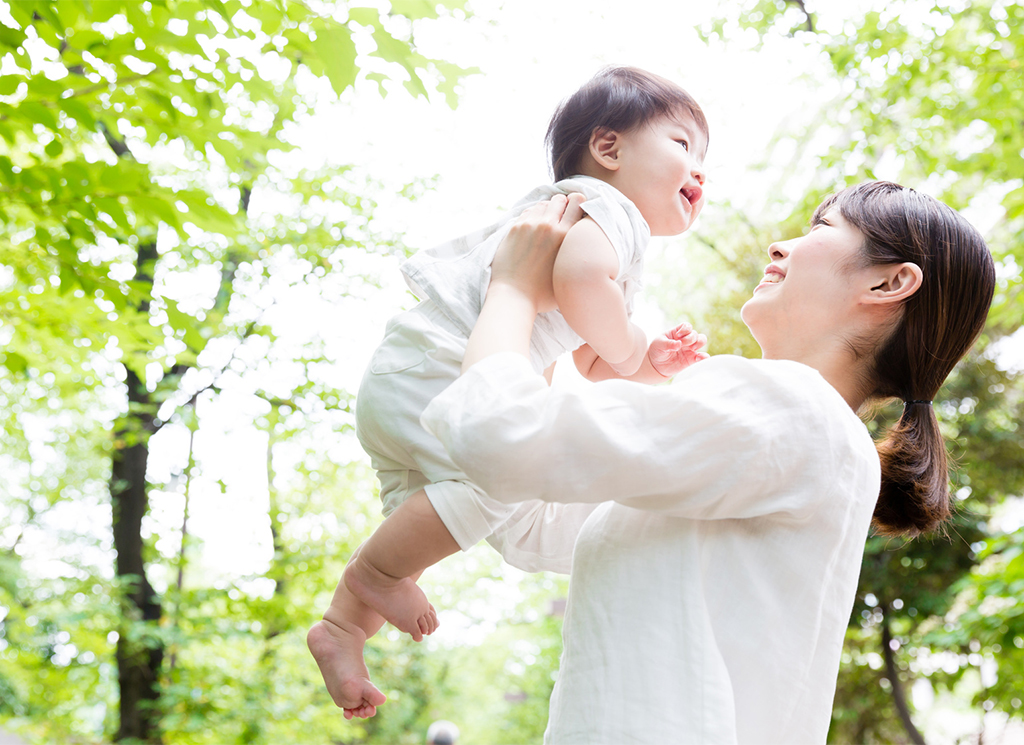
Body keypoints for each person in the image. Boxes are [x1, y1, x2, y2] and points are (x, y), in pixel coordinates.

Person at [420, 182, 996, 743]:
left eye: (823, 226)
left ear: (890, 281)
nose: (779, 247)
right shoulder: (801, 435)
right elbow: (528, 524)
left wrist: (514, 288)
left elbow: (497, 433)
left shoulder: (794, 409)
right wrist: (550, 335)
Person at [307, 67, 710, 718]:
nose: (699, 171)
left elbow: (588, 358)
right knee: (505, 477)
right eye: (684, 145)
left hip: (412, 375)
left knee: (425, 520)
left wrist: (647, 363)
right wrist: (636, 345)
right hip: (440, 372)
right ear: (609, 149)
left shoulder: (579, 221)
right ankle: (374, 577)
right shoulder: (610, 211)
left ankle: (344, 625)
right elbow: (582, 281)